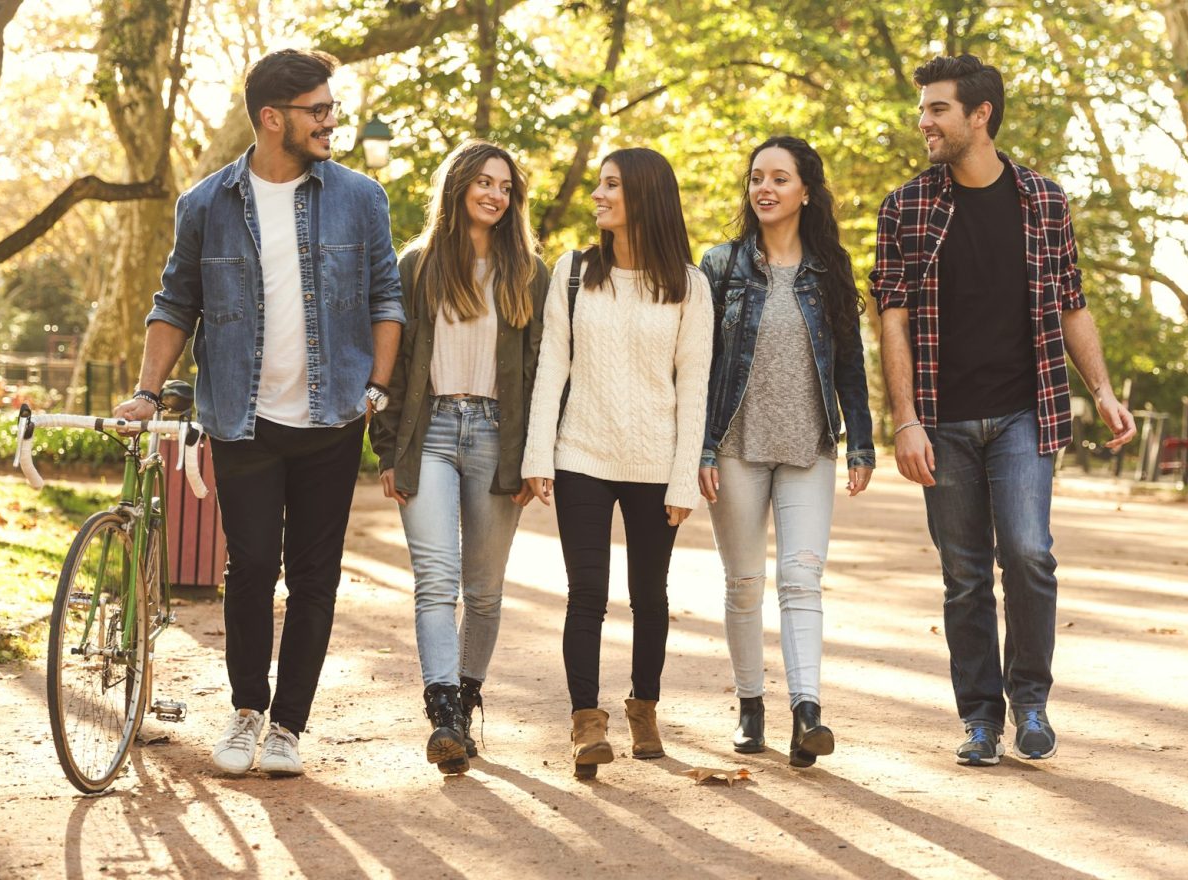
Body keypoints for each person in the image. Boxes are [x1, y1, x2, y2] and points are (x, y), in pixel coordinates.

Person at [116, 49, 404, 777]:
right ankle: (247, 710)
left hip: (331, 421)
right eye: (319, 110)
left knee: (315, 578)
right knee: (249, 570)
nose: (331, 120)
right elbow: (175, 304)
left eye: (331, 107)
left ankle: (288, 729)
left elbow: (385, 300)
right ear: (273, 119)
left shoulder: (360, 198)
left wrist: (374, 388)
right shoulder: (206, 204)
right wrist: (148, 391)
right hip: (242, 421)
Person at [871, 55, 1135, 766]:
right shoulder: (906, 206)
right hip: (942, 418)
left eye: (937, 109)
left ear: (979, 115)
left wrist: (1103, 389)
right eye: (923, 108)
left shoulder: (1044, 202)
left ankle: (1032, 703)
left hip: (1025, 412)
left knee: (1028, 554)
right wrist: (904, 418)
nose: (923, 120)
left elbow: (1071, 302)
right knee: (964, 573)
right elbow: (891, 317)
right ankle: (981, 719)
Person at [521, 148, 713, 779]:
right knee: (586, 594)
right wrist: (538, 453)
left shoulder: (689, 286)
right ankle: (585, 724)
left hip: (658, 463)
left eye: (610, 186)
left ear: (645, 198)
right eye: (598, 184)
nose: (598, 195)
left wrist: (685, 475)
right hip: (582, 454)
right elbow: (553, 366)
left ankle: (645, 708)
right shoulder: (574, 272)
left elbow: (695, 387)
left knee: (649, 596)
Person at [697, 136, 875, 768]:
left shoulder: (831, 268)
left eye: (779, 178)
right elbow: (698, 366)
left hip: (810, 445)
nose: (764, 188)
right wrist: (701, 449)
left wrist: (862, 440)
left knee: (802, 581)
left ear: (806, 190)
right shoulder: (719, 266)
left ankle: (807, 710)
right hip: (736, 446)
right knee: (745, 584)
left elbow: (849, 360)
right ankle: (751, 704)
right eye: (756, 179)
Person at [371, 141, 548, 776]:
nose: (495, 194)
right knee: (435, 581)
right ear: (458, 187)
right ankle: (443, 712)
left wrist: (536, 455)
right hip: (432, 434)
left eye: (505, 186)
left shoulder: (530, 271)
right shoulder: (416, 265)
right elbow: (391, 363)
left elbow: (541, 370)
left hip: (500, 437)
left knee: (485, 591)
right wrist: (388, 447)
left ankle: (468, 694)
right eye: (483, 182)